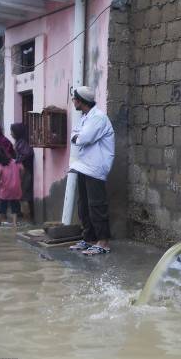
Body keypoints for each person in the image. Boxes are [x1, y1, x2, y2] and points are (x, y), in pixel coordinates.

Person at [68, 86, 115, 256]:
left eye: (74, 99)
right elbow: (75, 136)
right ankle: (89, 239)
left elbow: (83, 139)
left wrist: (78, 137)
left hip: (95, 167)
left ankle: (103, 242)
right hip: (83, 166)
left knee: (97, 205)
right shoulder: (85, 117)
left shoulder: (99, 118)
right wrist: (77, 137)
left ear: (80, 101)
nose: (73, 101)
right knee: (84, 206)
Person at [0, 146, 23, 227]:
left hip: (5, 188)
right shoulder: (15, 161)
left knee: (2, 207)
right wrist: (20, 179)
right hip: (16, 188)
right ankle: (15, 224)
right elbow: (22, 169)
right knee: (15, 206)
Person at [10, 123, 34, 221]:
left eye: (12, 132)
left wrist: (16, 161)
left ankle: (27, 220)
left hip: (25, 171)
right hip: (22, 171)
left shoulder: (22, 143)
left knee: (23, 196)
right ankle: (26, 219)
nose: (11, 134)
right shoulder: (19, 142)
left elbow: (27, 153)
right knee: (22, 195)